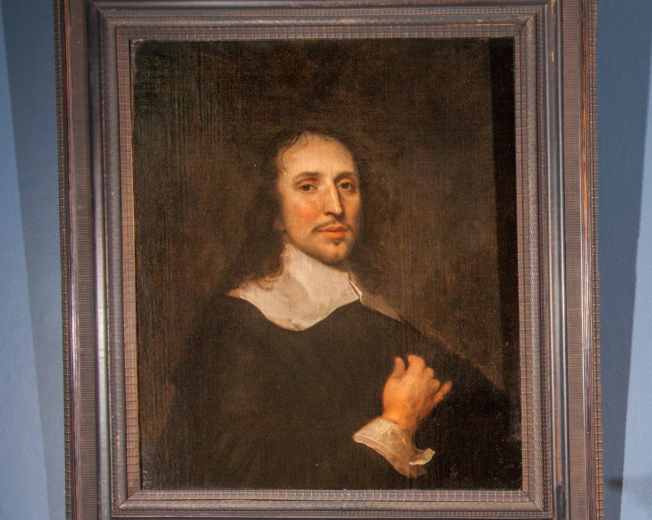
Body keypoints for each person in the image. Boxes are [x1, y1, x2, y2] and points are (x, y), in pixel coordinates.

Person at [154, 128, 520, 490]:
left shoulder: (378, 318)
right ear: (274, 211)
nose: (335, 207)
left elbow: (495, 427)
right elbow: (248, 488)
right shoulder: (233, 328)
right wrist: (396, 423)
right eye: (308, 187)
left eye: (346, 185)